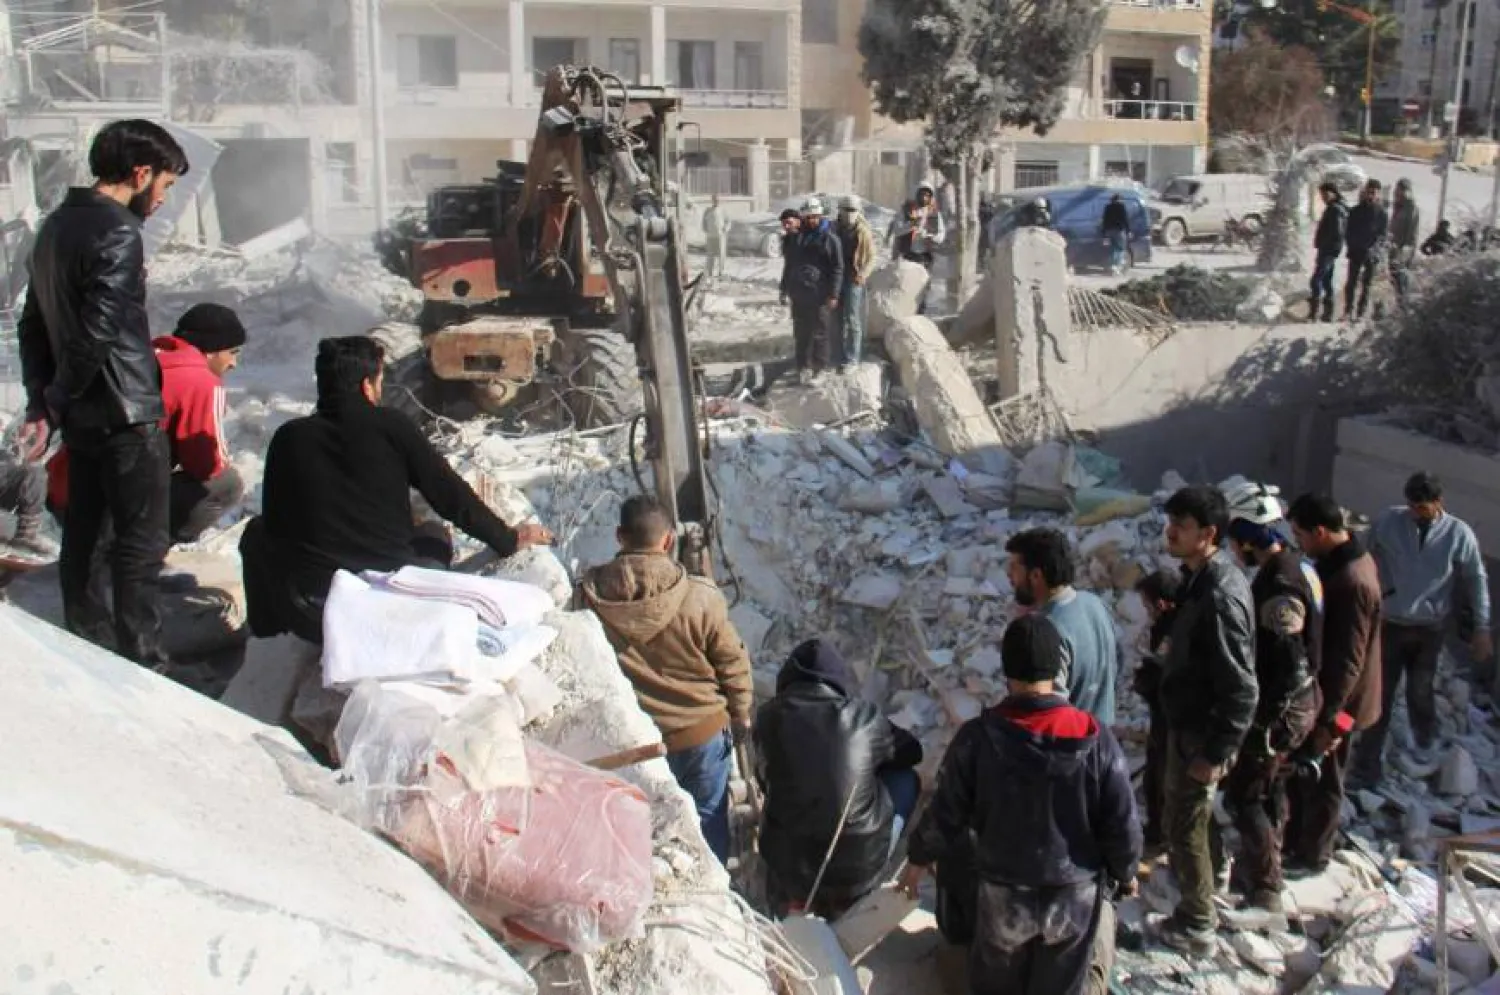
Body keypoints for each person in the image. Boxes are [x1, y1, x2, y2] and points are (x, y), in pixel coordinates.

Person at [241, 336, 551, 643]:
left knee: (255, 533)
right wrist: (509, 539)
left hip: (312, 610)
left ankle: (266, 638)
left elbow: (276, 526)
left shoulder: (289, 437)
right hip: (389, 602)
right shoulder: (391, 426)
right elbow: (450, 497)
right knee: (434, 533)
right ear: (366, 385)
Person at [17, 119, 189, 666]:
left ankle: (90, 655)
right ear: (140, 174)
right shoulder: (117, 232)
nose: (162, 200)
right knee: (141, 545)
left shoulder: (54, 227)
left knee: (84, 541)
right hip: (127, 412)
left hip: (85, 416)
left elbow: (32, 326)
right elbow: (98, 330)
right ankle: (146, 662)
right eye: (163, 186)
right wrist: (58, 396)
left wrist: (43, 399)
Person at [900, 614, 1140, 995]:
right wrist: (1126, 871)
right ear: (1059, 667)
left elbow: (946, 812)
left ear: (1006, 669)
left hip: (1004, 893)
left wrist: (916, 860)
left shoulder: (978, 738)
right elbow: (1121, 822)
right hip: (1072, 895)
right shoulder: (1096, 738)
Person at [578, 494, 753, 865]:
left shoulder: (589, 596)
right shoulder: (701, 596)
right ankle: (715, 904)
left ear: (619, 536)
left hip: (633, 741)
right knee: (707, 831)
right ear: (669, 540)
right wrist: (741, 713)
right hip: (701, 735)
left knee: (643, 833)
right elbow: (732, 661)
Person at [48, 303, 247, 548]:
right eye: (233, 352)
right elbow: (206, 464)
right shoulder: (200, 380)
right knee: (227, 484)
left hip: (67, 492)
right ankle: (145, 551)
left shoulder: (141, 357)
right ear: (211, 351)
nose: (234, 363)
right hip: (112, 506)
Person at [1157, 484, 1257, 954]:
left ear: (1210, 533)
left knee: (1185, 821)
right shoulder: (1199, 579)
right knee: (1191, 820)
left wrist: (1216, 751)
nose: (1171, 531)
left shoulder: (1219, 594)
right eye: (1170, 521)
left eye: (1183, 525)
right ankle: (1208, 888)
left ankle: (1196, 923)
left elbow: (1243, 687)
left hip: (1202, 735)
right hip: (1189, 724)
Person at [754, 638, 922, 917]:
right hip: (856, 869)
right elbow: (912, 752)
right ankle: (866, 886)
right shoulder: (864, 717)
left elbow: (764, 779)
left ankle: (792, 898)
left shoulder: (768, 716)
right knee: (905, 779)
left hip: (788, 866)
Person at [1221, 481, 1324, 913]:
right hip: (1300, 703)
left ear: (1248, 536)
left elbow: (1286, 660)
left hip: (1285, 708)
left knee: (1244, 794)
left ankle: (1265, 887)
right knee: (1270, 789)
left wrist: (1262, 720)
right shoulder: (1300, 567)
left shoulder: (1280, 583)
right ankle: (1264, 865)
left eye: (1235, 538)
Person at [1354, 472, 1491, 781]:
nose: (1415, 512)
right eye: (1412, 505)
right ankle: (1367, 763)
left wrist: (1482, 627)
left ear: (1438, 503)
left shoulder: (1458, 534)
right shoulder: (1389, 521)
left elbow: (1475, 579)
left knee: (1420, 689)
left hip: (1429, 628)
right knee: (1381, 693)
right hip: (1390, 623)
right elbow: (1362, 552)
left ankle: (1425, 744)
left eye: (1422, 507)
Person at [1284, 493, 1383, 875]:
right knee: (1305, 775)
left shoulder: (1352, 580)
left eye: (1301, 535)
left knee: (1323, 778)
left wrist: (1329, 718)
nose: (1299, 544)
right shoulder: (1343, 563)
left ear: (1320, 531)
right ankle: (1297, 841)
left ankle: (1313, 855)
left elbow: (1348, 659)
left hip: (1339, 703)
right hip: (1325, 695)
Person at [1005, 527, 1119, 723]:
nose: (1009, 575)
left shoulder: (1046, 632)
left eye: (1015, 567)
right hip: (1102, 742)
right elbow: (1116, 664)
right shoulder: (1095, 604)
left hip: (1070, 747)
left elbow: (1047, 710)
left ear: (1036, 575)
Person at [1134, 568, 1183, 858]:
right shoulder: (1172, 627)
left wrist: (1146, 679)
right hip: (1163, 718)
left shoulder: (1173, 632)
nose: (1146, 611)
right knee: (1156, 777)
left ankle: (1164, 839)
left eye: (1147, 604)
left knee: (1165, 780)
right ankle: (1157, 834)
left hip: (1172, 720)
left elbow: (1165, 677)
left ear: (1161, 604)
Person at [780, 198, 842, 384]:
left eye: (814, 217)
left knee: (820, 333)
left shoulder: (829, 239)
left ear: (820, 216)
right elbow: (789, 265)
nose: (811, 221)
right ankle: (803, 367)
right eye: (807, 217)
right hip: (799, 293)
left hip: (820, 294)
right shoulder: (797, 238)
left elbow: (837, 268)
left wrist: (834, 294)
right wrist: (784, 289)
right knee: (801, 333)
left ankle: (820, 369)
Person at [835, 197, 878, 371]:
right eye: (846, 209)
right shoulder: (834, 228)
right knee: (837, 319)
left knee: (853, 320)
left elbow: (872, 257)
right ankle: (838, 354)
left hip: (854, 278)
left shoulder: (863, 232)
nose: (849, 214)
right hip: (836, 278)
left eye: (853, 210)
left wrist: (863, 274)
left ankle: (852, 358)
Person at [893, 183, 946, 314]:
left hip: (925, 256)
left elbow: (941, 234)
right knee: (906, 288)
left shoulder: (934, 213)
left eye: (928, 195)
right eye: (922, 194)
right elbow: (897, 230)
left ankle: (920, 315)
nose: (925, 197)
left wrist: (931, 237)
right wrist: (911, 224)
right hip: (908, 255)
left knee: (922, 290)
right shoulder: (906, 210)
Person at [1343, 179, 1387, 321]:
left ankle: (1361, 312)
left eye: (1373, 193)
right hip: (1356, 251)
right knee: (1351, 282)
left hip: (1371, 254)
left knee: (1367, 285)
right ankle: (1348, 310)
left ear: (1378, 194)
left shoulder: (1381, 213)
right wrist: (1352, 245)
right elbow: (1349, 231)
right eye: (1368, 192)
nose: (1370, 195)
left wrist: (1375, 250)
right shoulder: (1356, 211)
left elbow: (1382, 235)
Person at [1308, 182, 1347, 323]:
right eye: (1322, 195)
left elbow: (1337, 233)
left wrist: (1327, 247)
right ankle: (1327, 314)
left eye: (1325, 194)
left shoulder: (1335, 210)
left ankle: (1314, 313)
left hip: (1328, 251)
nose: (1323, 197)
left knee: (1316, 280)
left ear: (1333, 192)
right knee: (1326, 281)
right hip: (1327, 250)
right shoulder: (1334, 208)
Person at [1388, 178, 1420, 305]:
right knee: (1394, 277)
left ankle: (1403, 304)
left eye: (1401, 190)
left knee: (1401, 277)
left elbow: (1412, 230)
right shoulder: (1398, 206)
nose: (1397, 192)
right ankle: (1399, 302)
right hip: (1394, 247)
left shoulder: (1411, 207)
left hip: (1404, 249)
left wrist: (1407, 249)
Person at [1102, 193, 1131, 276]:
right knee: (1121, 248)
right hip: (1119, 231)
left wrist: (1104, 234)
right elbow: (1125, 219)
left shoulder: (1107, 207)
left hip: (1108, 231)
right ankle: (1116, 266)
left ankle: (1112, 266)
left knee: (1112, 249)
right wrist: (1128, 231)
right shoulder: (1121, 207)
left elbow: (1104, 220)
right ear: (1119, 199)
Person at [702, 194, 728, 279]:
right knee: (710, 255)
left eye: (718, 200)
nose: (716, 201)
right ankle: (710, 272)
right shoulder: (707, 210)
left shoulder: (723, 210)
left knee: (721, 254)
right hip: (710, 236)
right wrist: (705, 229)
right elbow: (703, 222)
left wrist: (725, 228)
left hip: (720, 236)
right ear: (712, 200)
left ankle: (721, 272)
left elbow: (728, 222)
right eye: (715, 200)